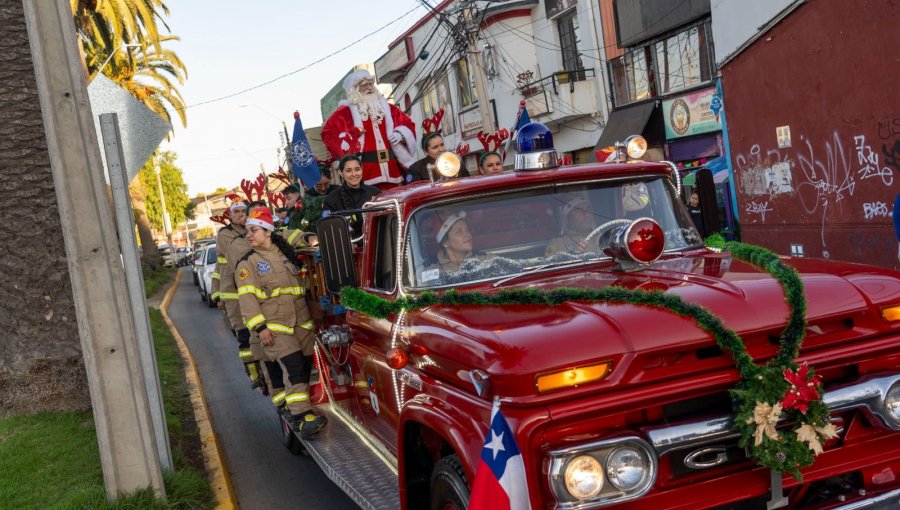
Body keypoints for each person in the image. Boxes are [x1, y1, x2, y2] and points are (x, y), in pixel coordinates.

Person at [236, 207, 327, 438]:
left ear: (267, 232)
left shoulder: (283, 249)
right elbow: (247, 300)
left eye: (253, 230)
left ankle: (297, 408)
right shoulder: (248, 263)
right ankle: (300, 416)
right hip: (274, 325)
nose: (248, 235)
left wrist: (310, 238)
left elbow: (295, 234)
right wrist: (260, 328)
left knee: (306, 366)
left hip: (301, 322)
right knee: (294, 365)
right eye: (247, 231)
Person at [321, 69, 417, 189]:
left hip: (393, 170)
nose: (369, 87)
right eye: (364, 85)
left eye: (371, 84)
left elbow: (408, 124)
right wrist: (351, 136)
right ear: (355, 90)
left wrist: (400, 134)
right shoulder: (344, 113)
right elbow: (328, 134)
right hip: (366, 174)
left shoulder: (388, 109)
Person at [323, 155, 381, 237]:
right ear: (341, 173)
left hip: (377, 242)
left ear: (362, 169)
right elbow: (329, 229)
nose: (354, 174)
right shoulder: (332, 199)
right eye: (348, 170)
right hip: (349, 247)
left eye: (357, 169)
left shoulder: (375, 192)